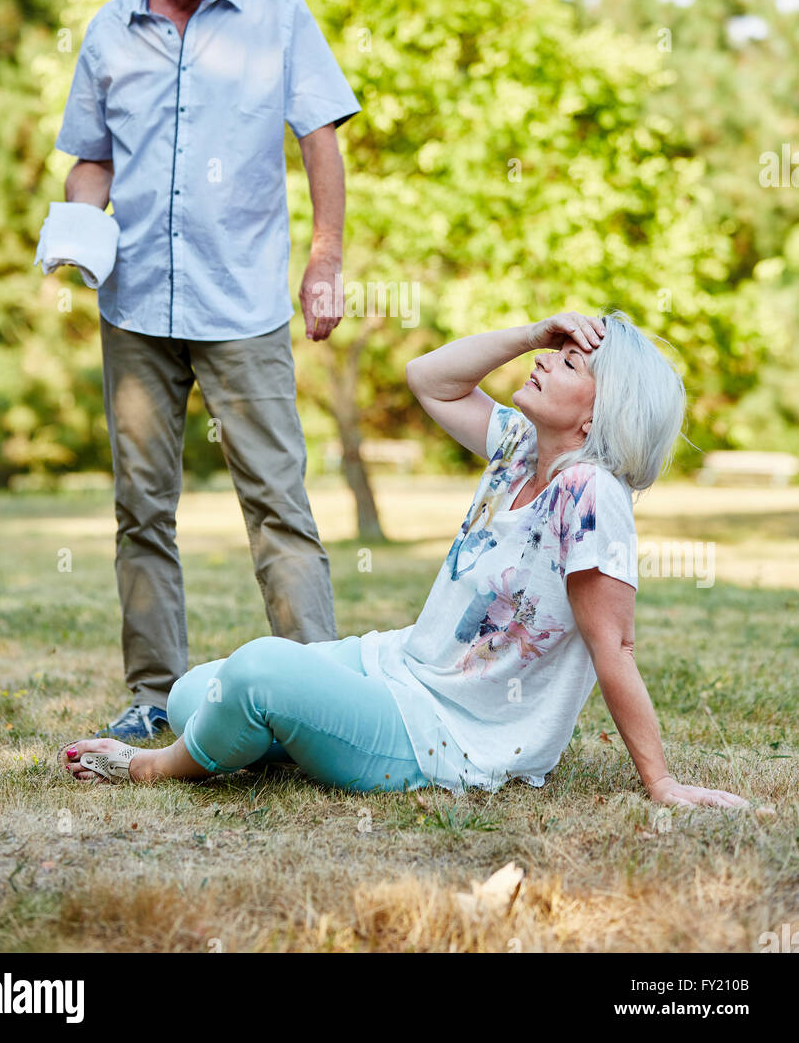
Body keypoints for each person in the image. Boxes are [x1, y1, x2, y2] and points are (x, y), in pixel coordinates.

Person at [60, 309, 749, 811]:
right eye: (555, 352)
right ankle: (271, 734)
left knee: (257, 671)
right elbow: (429, 378)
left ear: (599, 419)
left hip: (446, 734)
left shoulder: (589, 493)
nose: (543, 361)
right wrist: (534, 332)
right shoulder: (518, 449)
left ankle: (155, 770)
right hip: (399, 669)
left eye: (567, 363)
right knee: (191, 694)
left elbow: (616, 646)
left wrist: (662, 783)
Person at [53, 0, 361, 742]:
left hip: (244, 305)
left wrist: (326, 258)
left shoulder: (279, 17)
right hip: (135, 304)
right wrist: (80, 229)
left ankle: (317, 699)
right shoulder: (109, 34)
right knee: (141, 509)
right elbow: (91, 158)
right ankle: (155, 696)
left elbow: (321, 141)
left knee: (278, 501)